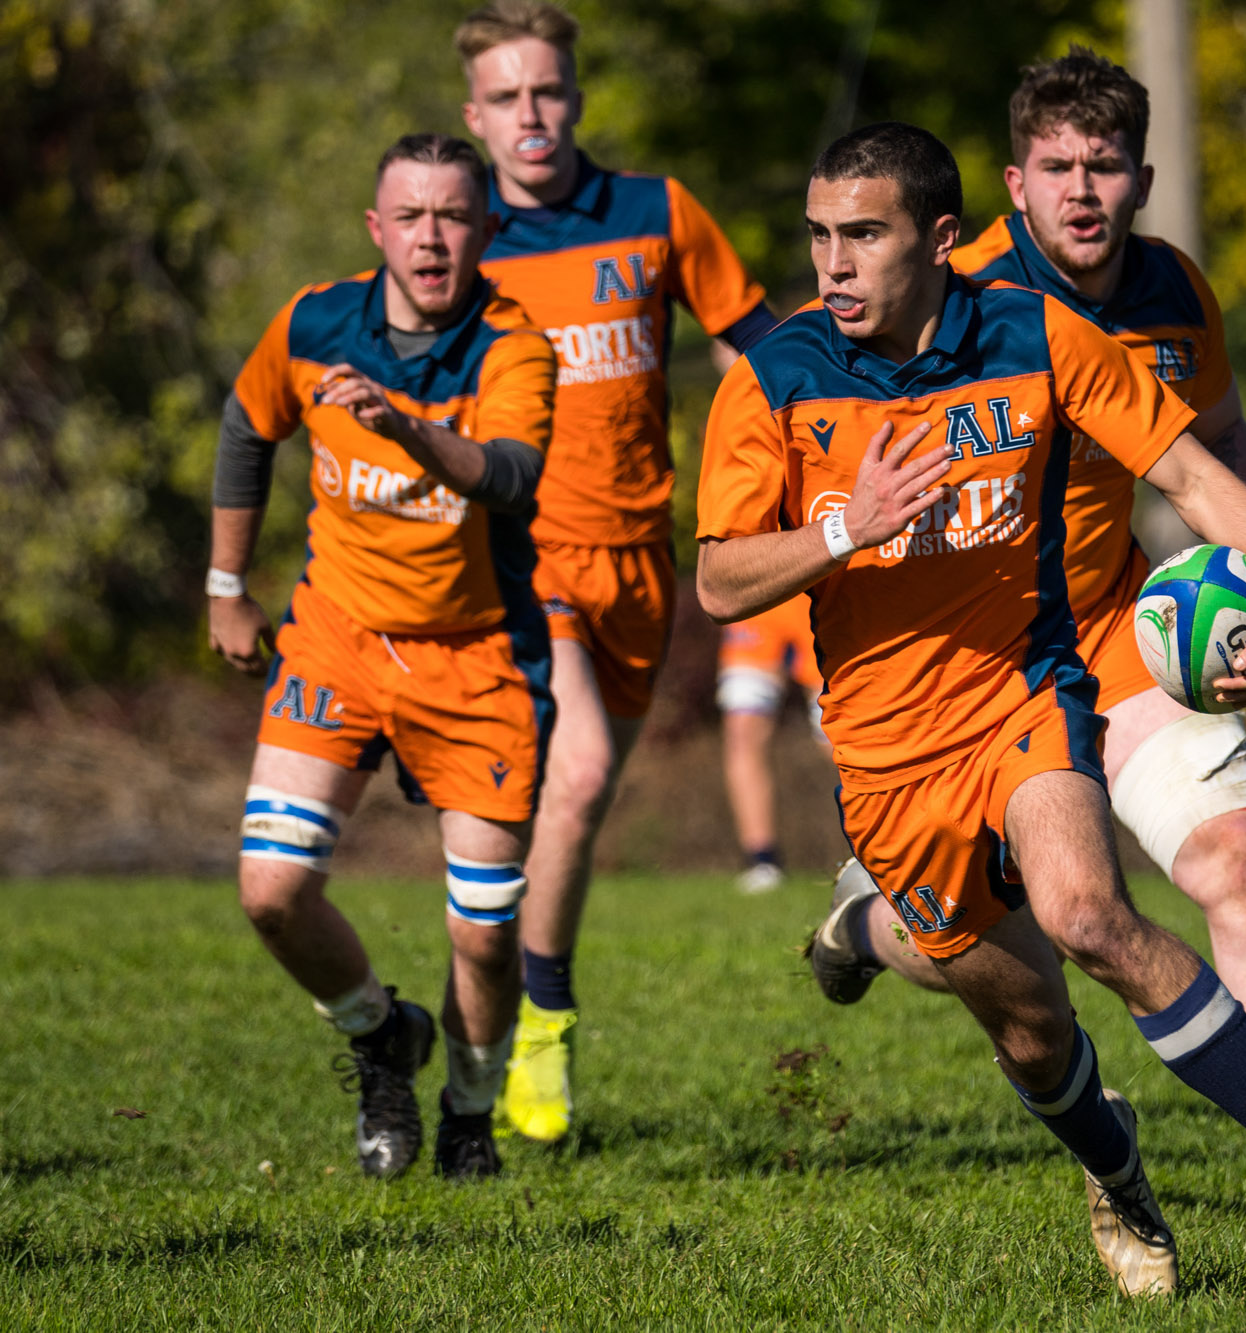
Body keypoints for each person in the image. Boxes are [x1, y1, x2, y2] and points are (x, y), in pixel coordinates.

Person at [697, 121, 1246, 1298]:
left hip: (1026, 690)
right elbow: (717, 579)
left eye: (860, 236)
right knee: (1029, 1031)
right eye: (818, 236)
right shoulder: (777, 375)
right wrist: (840, 531)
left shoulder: (1035, 334)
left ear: (936, 240)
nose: (831, 264)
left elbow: (1183, 467)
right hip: (881, 753)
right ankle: (1117, 1171)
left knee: (1086, 912)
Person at [455, 0, 779, 1143]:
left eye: (546, 91)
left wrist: (805, 459)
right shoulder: (459, 231)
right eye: (506, 97)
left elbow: (755, 346)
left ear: (576, 98)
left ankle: (509, 1017)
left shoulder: (655, 211)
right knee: (579, 773)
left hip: (643, 564)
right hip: (519, 555)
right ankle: (539, 1015)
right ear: (474, 116)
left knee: (572, 815)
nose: (530, 115)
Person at [207, 133, 557, 1180]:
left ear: (486, 230)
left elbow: (508, 476)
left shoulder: (512, 343)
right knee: (270, 889)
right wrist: (227, 583)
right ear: (377, 230)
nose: (431, 236)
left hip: (479, 655)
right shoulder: (315, 321)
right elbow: (244, 421)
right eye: (410, 216)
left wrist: (404, 426)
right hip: (339, 639)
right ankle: (380, 1036)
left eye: (453, 215)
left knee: (487, 937)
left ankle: (467, 1110)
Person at [716, 594, 828, 893]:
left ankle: (876, 852)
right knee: (742, 730)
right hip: (761, 593)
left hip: (820, 588)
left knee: (838, 741)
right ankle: (762, 861)